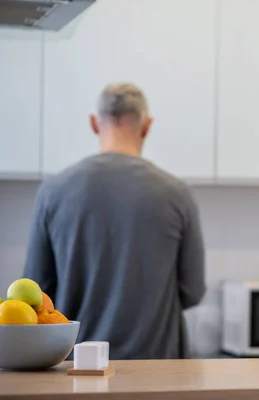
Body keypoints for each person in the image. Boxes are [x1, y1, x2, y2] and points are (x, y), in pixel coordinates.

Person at [23, 83, 206, 360]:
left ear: (94, 123)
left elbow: (34, 293)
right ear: (147, 125)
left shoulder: (53, 191)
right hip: (158, 374)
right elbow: (193, 291)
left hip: (77, 370)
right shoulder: (177, 193)